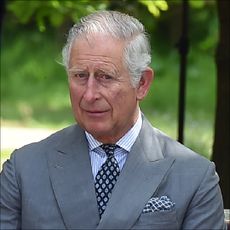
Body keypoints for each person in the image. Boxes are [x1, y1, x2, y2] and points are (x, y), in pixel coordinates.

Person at [0, 10, 226, 229]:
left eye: (105, 77)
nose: (89, 95)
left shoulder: (194, 177)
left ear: (142, 84)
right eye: (80, 76)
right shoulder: (25, 170)